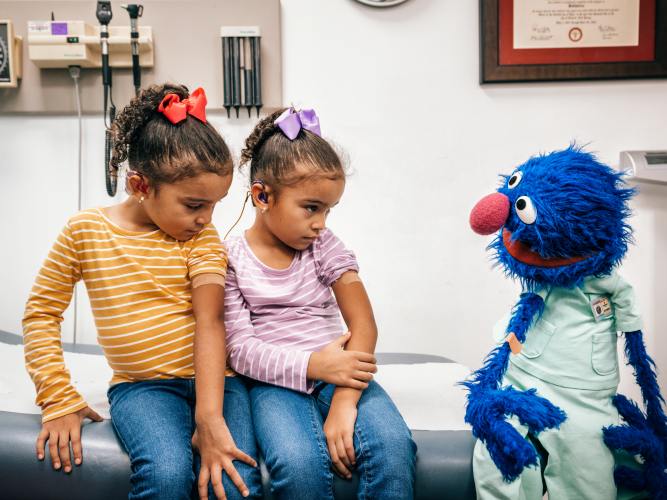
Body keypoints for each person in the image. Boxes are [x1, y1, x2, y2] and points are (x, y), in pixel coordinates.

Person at [22, 84, 261, 500]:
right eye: (193, 205)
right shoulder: (86, 231)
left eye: (214, 205)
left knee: (235, 484)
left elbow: (211, 320)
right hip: (142, 388)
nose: (206, 219)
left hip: (218, 383)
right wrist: (56, 397)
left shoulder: (201, 240)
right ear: (139, 185)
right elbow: (42, 312)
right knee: (166, 477)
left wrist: (209, 416)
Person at [223, 107, 417, 499]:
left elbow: (364, 325)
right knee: (298, 465)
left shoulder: (325, 246)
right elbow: (240, 351)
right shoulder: (229, 258)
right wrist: (314, 365)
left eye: (329, 210)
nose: (321, 223)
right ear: (262, 195)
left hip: (343, 372)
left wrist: (345, 403)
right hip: (273, 384)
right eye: (312, 207)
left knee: (394, 449)